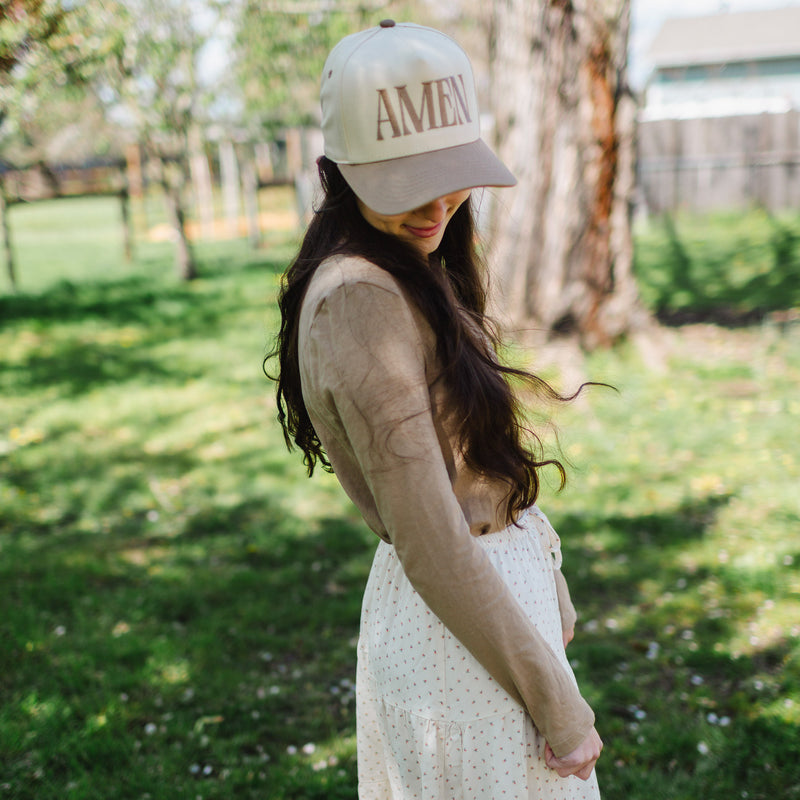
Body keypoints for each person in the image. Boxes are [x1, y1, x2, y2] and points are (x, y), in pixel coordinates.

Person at [271, 19, 603, 799]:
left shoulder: (413, 266)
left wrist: (543, 578)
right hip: (459, 645)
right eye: (403, 181)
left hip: (492, 631)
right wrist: (558, 703)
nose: (436, 204)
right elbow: (431, 542)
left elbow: (472, 463)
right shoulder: (358, 300)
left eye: (447, 173)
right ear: (337, 174)